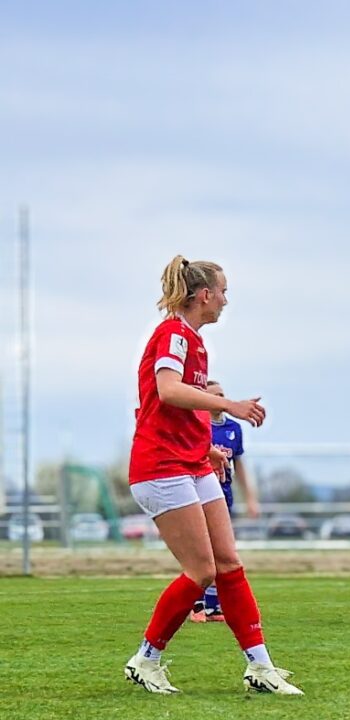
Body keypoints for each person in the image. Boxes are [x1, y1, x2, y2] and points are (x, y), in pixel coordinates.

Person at [123, 256, 300, 695]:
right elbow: (167, 391)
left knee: (228, 564)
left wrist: (205, 448)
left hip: (190, 463)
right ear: (204, 295)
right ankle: (146, 659)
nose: (225, 300)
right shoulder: (173, 334)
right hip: (160, 467)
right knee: (201, 571)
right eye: (223, 291)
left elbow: (173, 408)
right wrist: (228, 405)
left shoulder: (196, 342)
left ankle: (260, 666)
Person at [188, 379, 261, 623]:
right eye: (215, 395)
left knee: (222, 551)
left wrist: (250, 498)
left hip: (224, 495)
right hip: (198, 494)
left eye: (222, 394)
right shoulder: (197, 427)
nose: (220, 398)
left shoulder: (233, 429)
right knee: (201, 550)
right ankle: (196, 604)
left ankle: (213, 606)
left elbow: (239, 465)